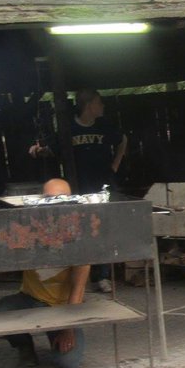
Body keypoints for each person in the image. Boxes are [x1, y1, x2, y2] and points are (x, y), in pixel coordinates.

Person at [29, 88, 127, 292]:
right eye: (99, 102)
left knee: (102, 230)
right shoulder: (69, 129)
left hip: (102, 187)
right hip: (77, 189)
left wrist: (114, 166)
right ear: (89, 105)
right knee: (80, 231)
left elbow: (123, 140)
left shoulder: (104, 126)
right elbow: (51, 150)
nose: (102, 106)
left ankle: (102, 276)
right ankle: (79, 278)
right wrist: (38, 150)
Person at [0, 178, 90, 368]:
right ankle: (25, 347)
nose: (54, 204)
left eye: (60, 199)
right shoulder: (28, 228)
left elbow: (78, 289)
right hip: (29, 299)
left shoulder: (79, 238)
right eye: (49, 198)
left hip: (62, 308)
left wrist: (68, 329)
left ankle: (56, 335)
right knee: (2, 311)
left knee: (68, 362)